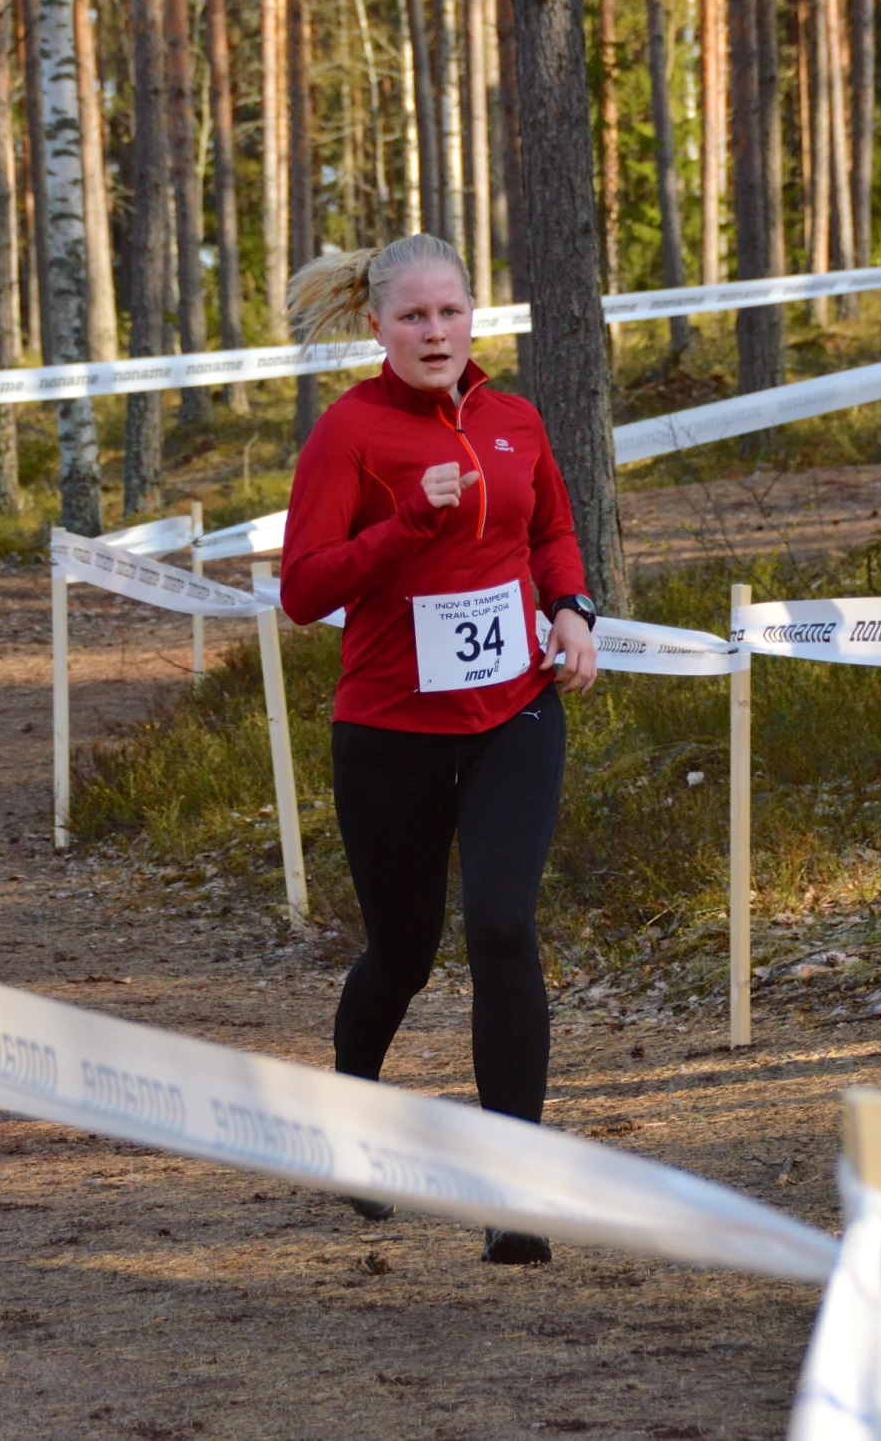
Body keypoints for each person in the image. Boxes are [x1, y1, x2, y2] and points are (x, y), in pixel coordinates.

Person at [277, 234, 600, 1267]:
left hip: (513, 711)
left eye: (448, 313)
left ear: (474, 318)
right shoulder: (348, 434)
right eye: (411, 317)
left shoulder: (514, 420)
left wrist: (572, 608)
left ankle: (514, 1193)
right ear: (374, 325)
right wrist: (408, 521)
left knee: (503, 926)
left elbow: (550, 527)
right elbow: (303, 589)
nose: (433, 333)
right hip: (389, 728)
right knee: (403, 953)